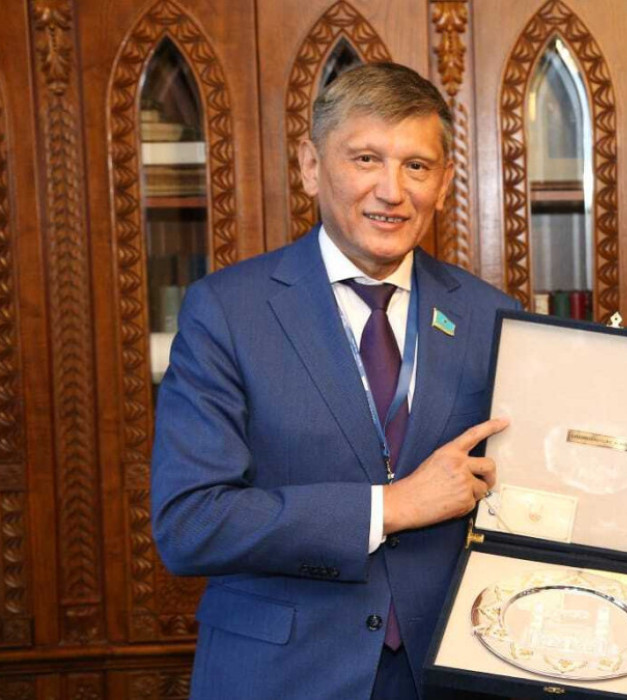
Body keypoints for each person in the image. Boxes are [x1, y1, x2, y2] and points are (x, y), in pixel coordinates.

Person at [151, 62, 518, 700]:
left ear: (444, 182)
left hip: (451, 672)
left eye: (416, 166)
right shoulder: (228, 311)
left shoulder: (493, 317)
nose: (391, 191)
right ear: (310, 165)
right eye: (366, 159)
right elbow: (190, 523)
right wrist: (391, 507)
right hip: (283, 676)